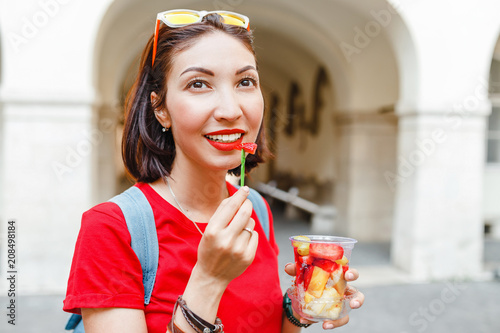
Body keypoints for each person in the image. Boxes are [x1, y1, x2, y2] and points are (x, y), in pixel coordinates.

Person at [63, 9, 364, 333]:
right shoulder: (111, 229)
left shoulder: (256, 210)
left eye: (245, 82)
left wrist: (298, 306)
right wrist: (209, 278)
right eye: (198, 84)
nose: (231, 110)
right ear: (160, 108)